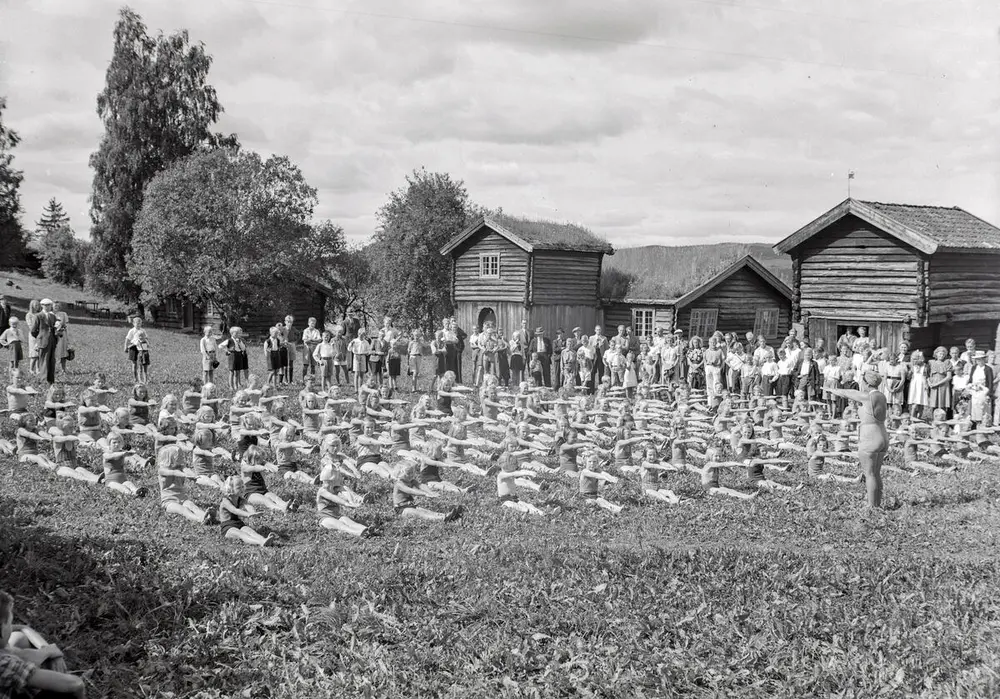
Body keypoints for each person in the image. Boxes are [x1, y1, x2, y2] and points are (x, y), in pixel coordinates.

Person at [0, 590, 87, 698]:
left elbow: (22, 628)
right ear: (2, 630)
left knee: (18, 638)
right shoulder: (5, 665)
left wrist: (49, 651)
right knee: (67, 692)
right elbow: (76, 684)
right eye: (9, 622)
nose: (11, 626)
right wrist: (50, 652)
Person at [829, 365, 888, 508]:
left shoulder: (867, 396)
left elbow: (848, 392)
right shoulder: (882, 396)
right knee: (876, 473)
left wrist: (831, 389)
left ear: (867, 383)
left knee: (869, 474)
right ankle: (876, 503)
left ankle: (871, 506)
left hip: (869, 436)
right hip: (882, 434)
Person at [219, 475, 275, 547]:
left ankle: (264, 540)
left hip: (238, 523)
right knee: (242, 534)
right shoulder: (225, 501)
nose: (242, 489)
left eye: (242, 486)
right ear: (230, 489)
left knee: (251, 531)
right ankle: (259, 542)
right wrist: (248, 514)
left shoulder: (240, 499)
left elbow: (248, 506)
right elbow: (235, 510)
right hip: (227, 527)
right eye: (239, 488)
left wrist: (253, 512)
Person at [30, 299, 60, 385]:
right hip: (43, 340)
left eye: (49, 305)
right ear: (42, 306)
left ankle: (51, 379)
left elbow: (55, 328)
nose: (47, 307)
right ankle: (43, 380)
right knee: (43, 360)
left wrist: (58, 331)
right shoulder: (38, 316)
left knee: (51, 360)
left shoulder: (52, 316)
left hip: (52, 340)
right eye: (45, 305)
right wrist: (39, 337)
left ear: (51, 306)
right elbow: (33, 330)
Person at [124, 316, 150, 383]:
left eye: (140, 323)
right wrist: (125, 347)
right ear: (133, 323)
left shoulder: (143, 330)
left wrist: (146, 346)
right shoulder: (132, 331)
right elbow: (127, 339)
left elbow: (146, 338)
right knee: (134, 363)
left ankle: (144, 378)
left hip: (142, 346)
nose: (138, 325)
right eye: (137, 323)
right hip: (133, 346)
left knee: (144, 362)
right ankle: (135, 378)